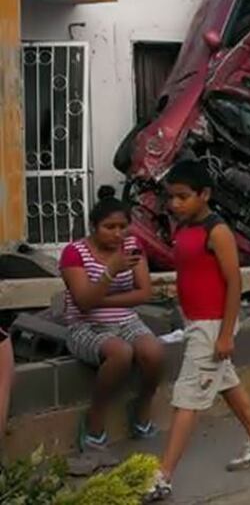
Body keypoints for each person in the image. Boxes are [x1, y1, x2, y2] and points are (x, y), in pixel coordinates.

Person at [147, 161, 250, 501]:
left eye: (183, 197)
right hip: (194, 323)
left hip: (211, 325)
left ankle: (163, 476)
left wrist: (225, 334)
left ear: (205, 194)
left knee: (186, 399)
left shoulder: (216, 231)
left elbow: (234, 282)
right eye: (171, 197)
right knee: (226, 381)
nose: (175, 204)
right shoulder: (185, 228)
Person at [59, 187, 164, 451]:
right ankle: (94, 420)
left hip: (126, 320)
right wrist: (110, 272)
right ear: (94, 227)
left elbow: (144, 292)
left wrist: (100, 300)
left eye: (122, 226)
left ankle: (142, 407)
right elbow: (82, 304)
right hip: (85, 326)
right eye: (109, 227)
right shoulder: (74, 253)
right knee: (121, 353)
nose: (117, 234)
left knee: (154, 352)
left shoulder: (132, 247)